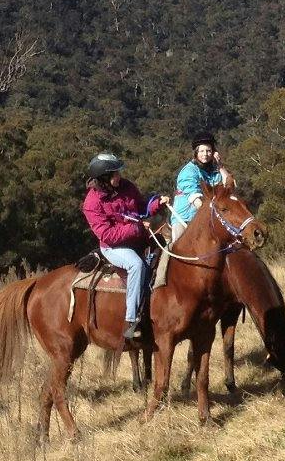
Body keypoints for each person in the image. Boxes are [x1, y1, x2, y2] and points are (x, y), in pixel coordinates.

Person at [81, 152, 164, 343]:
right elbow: (107, 235)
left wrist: (157, 204)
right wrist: (135, 228)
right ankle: (131, 320)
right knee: (136, 265)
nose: (119, 176)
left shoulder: (127, 186)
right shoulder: (92, 203)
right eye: (114, 174)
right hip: (113, 247)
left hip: (138, 238)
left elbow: (141, 208)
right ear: (104, 179)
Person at [170, 134, 232, 230]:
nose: (205, 154)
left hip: (207, 217)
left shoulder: (215, 171)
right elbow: (194, 196)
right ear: (196, 153)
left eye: (208, 151)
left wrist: (220, 165)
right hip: (185, 217)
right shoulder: (189, 170)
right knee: (179, 241)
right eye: (201, 151)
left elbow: (229, 186)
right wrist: (211, 213)